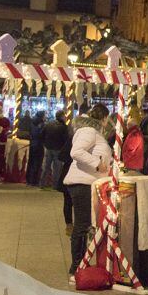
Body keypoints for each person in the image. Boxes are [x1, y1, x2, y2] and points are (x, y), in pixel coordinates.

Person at [62, 104, 111, 282]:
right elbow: (76, 152)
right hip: (81, 182)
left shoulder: (92, 132)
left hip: (88, 182)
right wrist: (98, 164)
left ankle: (81, 263)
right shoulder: (89, 131)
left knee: (85, 224)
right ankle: (76, 267)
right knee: (82, 225)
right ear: (104, 118)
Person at [42, 110, 68, 189]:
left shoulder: (49, 124)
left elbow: (42, 134)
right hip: (58, 149)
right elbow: (65, 139)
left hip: (49, 148)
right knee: (57, 169)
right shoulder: (64, 127)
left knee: (46, 166)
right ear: (62, 116)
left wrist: (45, 143)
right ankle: (55, 185)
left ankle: (42, 183)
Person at [25, 111, 46, 187]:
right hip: (39, 145)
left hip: (32, 144)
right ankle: (34, 180)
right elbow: (42, 135)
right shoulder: (42, 125)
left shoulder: (32, 123)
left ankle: (28, 179)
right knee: (37, 163)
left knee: (31, 162)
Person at [121, 109, 145, 173]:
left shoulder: (135, 134)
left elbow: (131, 148)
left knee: (132, 181)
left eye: (127, 125)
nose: (126, 126)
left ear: (130, 125)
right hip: (133, 162)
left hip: (133, 163)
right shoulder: (133, 132)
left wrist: (125, 157)